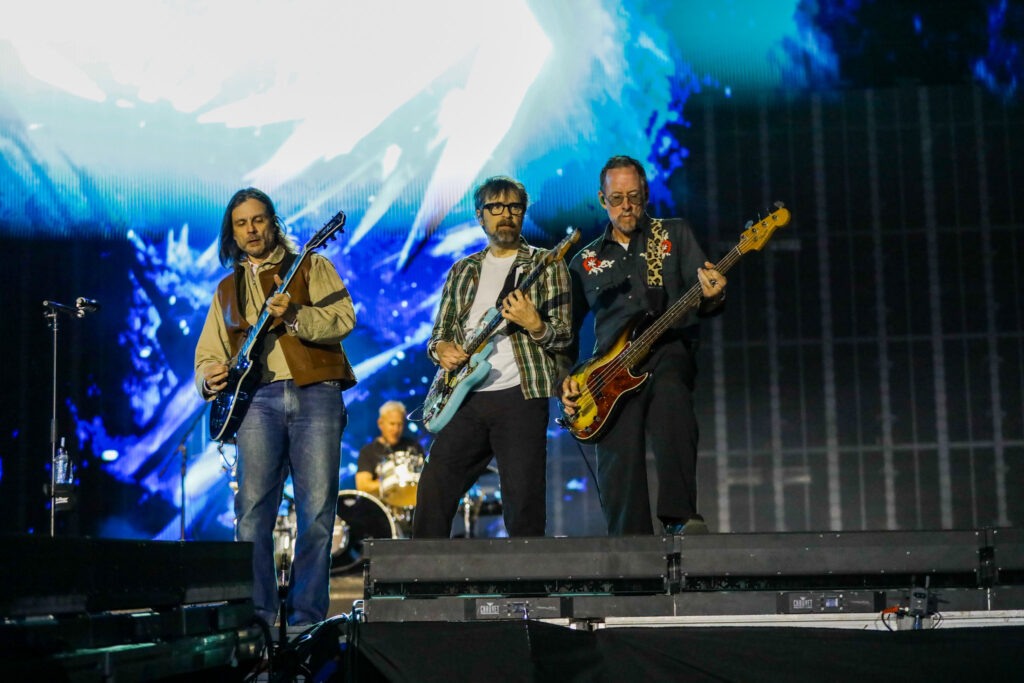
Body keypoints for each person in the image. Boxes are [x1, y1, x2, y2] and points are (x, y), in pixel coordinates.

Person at [194, 187, 357, 628]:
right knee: (251, 515)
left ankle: (305, 620)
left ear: (273, 223)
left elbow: (344, 318)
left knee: (318, 513)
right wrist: (207, 375)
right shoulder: (226, 289)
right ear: (233, 232)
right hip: (256, 403)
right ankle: (259, 622)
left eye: (258, 220)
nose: (251, 230)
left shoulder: (310, 264)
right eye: (242, 223)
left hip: (316, 393)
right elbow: (208, 353)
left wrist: (295, 315)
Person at [561, 155, 726, 536]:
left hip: (668, 348)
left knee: (672, 400)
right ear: (602, 200)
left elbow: (707, 296)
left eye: (633, 197)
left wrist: (714, 295)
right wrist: (564, 381)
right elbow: (565, 334)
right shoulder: (584, 262)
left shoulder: (674, 234)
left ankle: (680, 516)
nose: (626, 206)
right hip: (609, 371)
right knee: (618, 461)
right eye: (616, 198)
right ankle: (629, 546)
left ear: (646, 195)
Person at [413, 176, 572, 538]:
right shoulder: (463, 270)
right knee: (436, 484)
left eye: (514, 207)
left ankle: (528, 587)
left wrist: (535, 324)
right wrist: (440, 349)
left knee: (523, 500)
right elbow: (440, 333)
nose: (506, 215)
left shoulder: (546, 265)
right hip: (465, 398)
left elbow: (563, 337)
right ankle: (419, 576)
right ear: (479, 215)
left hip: (520, 395)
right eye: (496, 208)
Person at [356, 400, 425, 498]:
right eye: (392, 424)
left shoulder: (414, 446)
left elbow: (426, 477)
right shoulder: (367, 452)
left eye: (400, 424)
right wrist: (393, 482)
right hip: (383, 508)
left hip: (412, 504)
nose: (396, 429)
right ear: (380, 423)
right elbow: (362, 486)